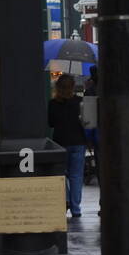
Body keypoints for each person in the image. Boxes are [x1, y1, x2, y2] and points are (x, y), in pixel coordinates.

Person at [47, 74, 87, 217]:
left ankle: (66, 200)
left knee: (61, 175)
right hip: (78, 141)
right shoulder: (80, 102)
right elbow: (86, 123)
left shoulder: (53, 103)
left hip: (60, 142)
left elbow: (50, 123)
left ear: (58, 87)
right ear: (72, 87)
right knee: (76, 176)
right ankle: (76, 209)